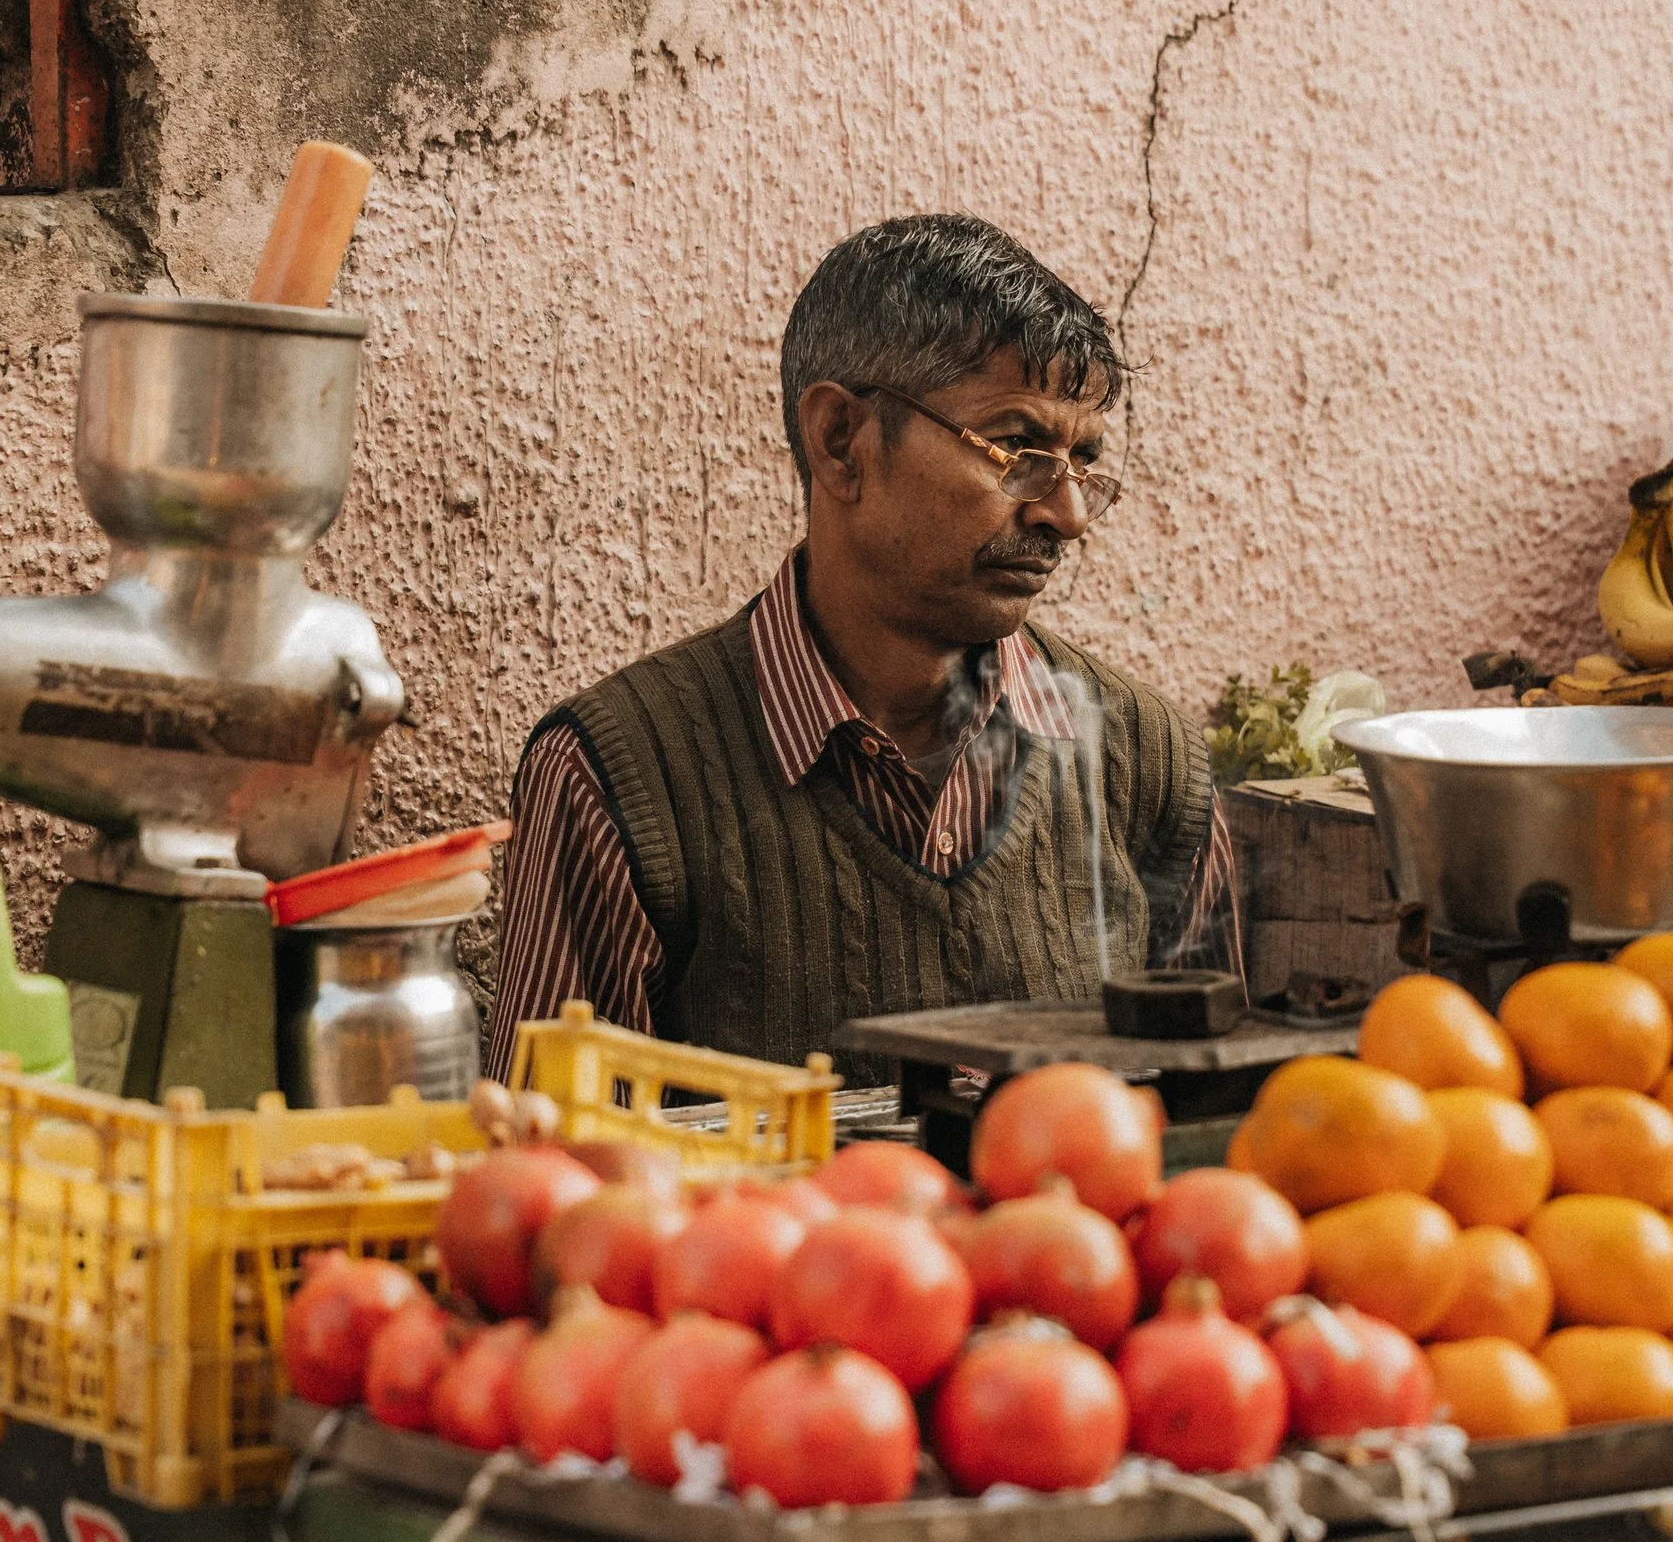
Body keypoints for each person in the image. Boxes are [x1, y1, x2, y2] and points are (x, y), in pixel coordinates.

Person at [486, 215, 1239, 1074]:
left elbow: (1207, 1144)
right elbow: (557, 1169)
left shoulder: (1148, 763)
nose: (1063, 515)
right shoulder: (616, 776)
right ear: (840, 441)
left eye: (1085, 460)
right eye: (1018, 448)